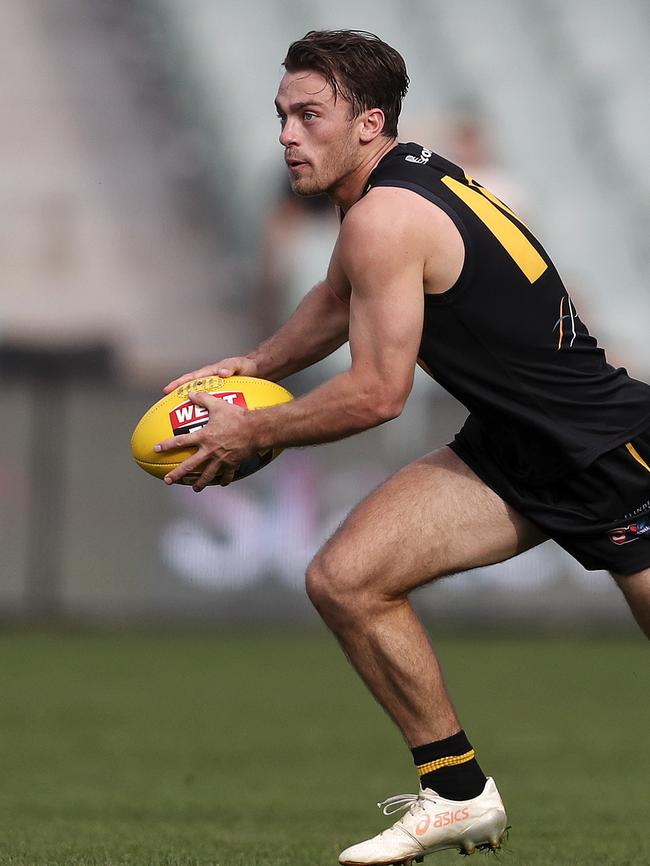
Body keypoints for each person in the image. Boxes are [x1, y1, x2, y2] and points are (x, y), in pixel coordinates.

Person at [155, 30, 650, 865]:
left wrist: (254, 426)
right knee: (346, 580)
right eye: (281, 114)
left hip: (611, 455)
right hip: (516, 452)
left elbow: (378, 394)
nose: (287, 134)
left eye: (310, 115)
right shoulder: (397, 177)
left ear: (368, 121)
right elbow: (337, 291)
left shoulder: (385, 215)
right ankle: (458, 793)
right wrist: (257, 365)